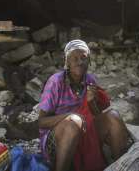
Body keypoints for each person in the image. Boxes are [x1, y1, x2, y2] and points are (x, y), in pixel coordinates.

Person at [38, 39, 130, 171]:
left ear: (89, 61)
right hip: (58, 141)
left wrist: (91, 102)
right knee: (74, 122)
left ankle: (121, 167)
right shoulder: (56, 82)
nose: (80, 62)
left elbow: (95, 117)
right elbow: (41, 122)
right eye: (74, 58)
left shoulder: (90, 80)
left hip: (85, 136)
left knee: (113, 116)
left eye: (84, 58)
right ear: (67, 62)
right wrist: (69, 116)